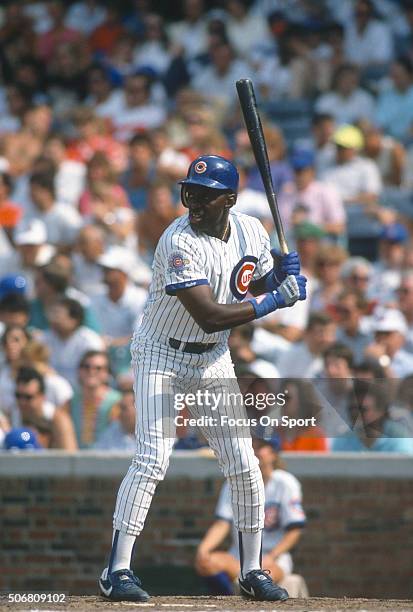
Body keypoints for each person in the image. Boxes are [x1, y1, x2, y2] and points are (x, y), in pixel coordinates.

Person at [98, 155, 307, 602]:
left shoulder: (251, 229)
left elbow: (247, 280)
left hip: (212, 360)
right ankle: (116, 571)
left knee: (246, 464)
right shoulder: (178, 241)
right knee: (153, 458)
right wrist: (275, 301)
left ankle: (252, 570)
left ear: (228, 199)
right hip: (161, 355)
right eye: (189, 192)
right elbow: (211, 314)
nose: (194, 202)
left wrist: (278, 275)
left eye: (206, 195)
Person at [195, 436, 306, 593]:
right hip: (239, 556)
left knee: (265, 576)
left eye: (260, 446)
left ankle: (248, 599)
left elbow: (294, 529)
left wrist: (273, 556)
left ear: (273, 453)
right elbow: (222, 523)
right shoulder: (234, 482)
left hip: (272, 557)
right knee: (207, 562)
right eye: (251, 446)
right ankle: (228, 603)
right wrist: (204, 549)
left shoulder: (285, 483)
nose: (254, 451)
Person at [332, 380, 413, 454]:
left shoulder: (399, 438)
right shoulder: (342, 441)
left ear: (380, 411)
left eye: (363, 409)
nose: (355, 414)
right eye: (352, 409)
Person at [70, 350, 121, 449]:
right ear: (79, 370)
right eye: (86, 367)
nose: (91, 371)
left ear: (107, 373)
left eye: (98, 368)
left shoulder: (117, 402)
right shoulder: (70, 402)